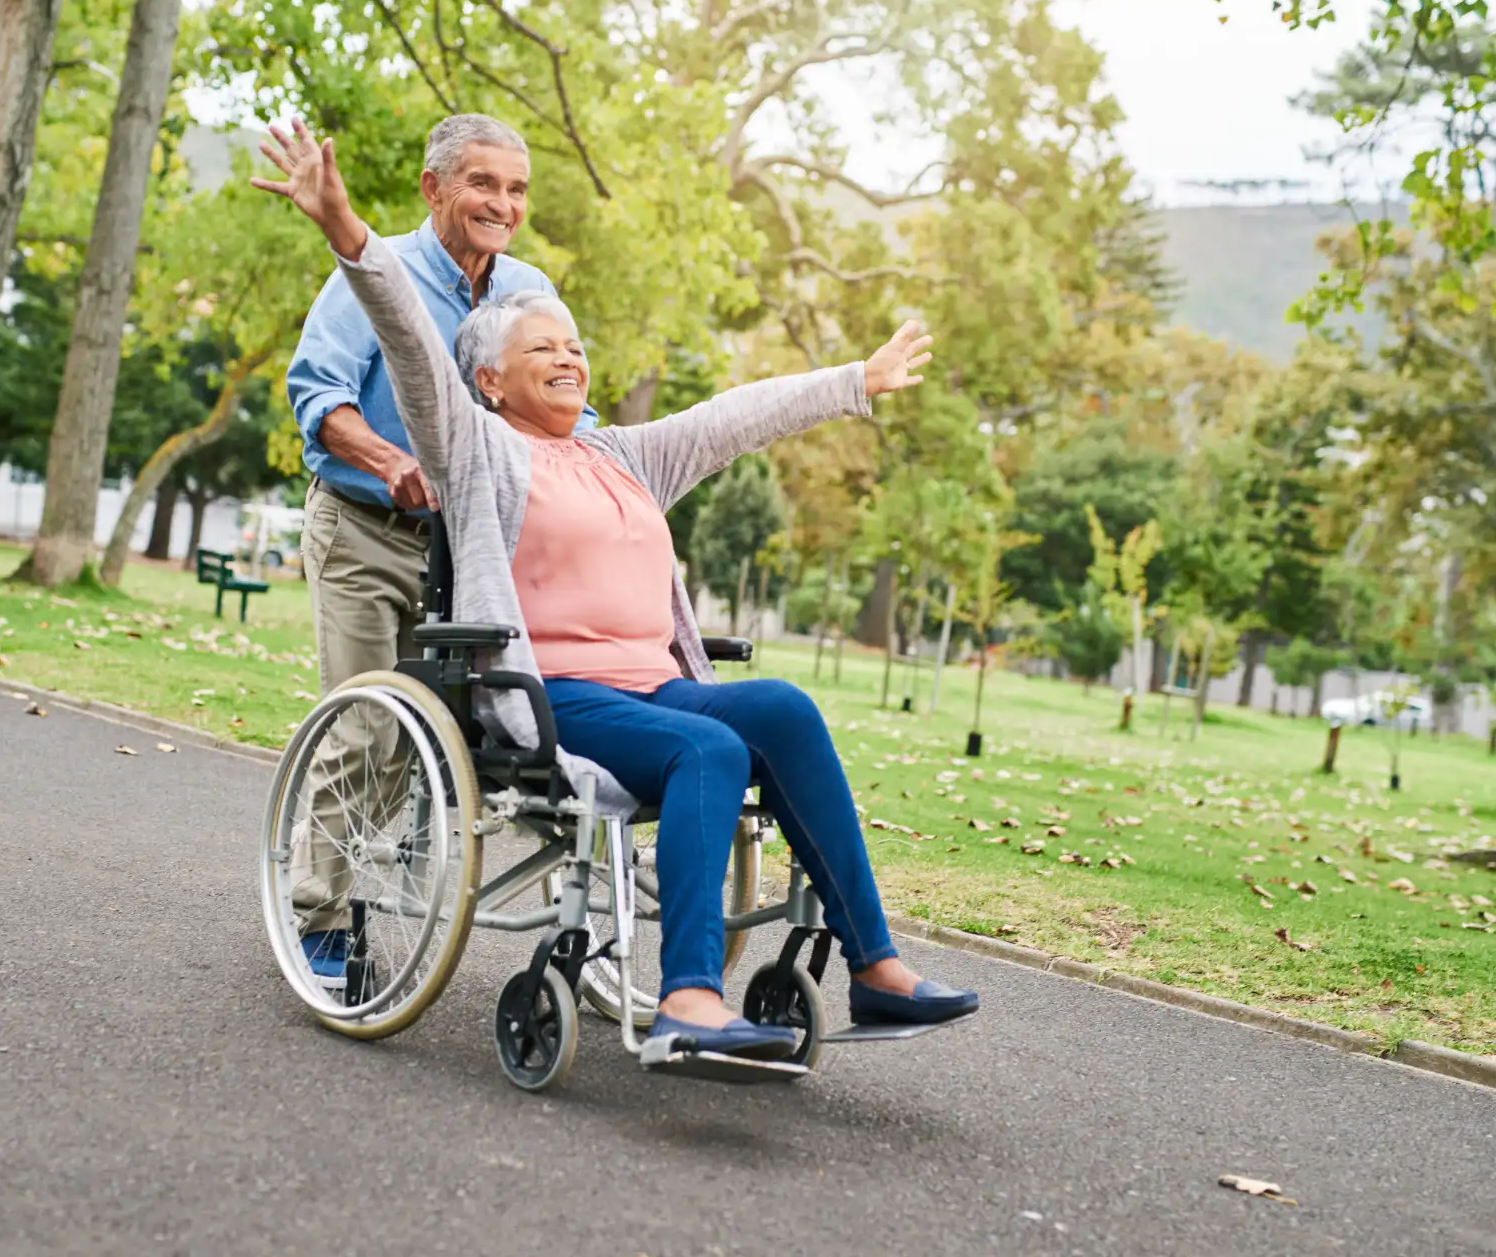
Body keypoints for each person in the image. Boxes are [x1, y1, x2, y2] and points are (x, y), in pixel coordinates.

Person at [255, 120, 978, 1060]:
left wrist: (857, 381)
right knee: (708, 750)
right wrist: (348, 231)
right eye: (540, 350)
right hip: (556, 696)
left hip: (652, 683)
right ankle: (689, 1000)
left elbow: (732, 418)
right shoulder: (478, 450)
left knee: (785, 713)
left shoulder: (622, 452)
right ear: (486, 378)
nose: (567, 359)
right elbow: (404, 337)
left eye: (574, 346)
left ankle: (876, 968)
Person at [284, 114, 598, 955]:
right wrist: (390, 459)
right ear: (435, 189)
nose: (503, 203)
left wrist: (601, 477)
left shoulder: (527, 287)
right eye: (483, 183)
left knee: (442, 736)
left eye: (517, 188)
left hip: (468, 551)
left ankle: (375, 868)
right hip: (365, 529)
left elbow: (561, 398)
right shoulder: (378, 270)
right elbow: (319, 397)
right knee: (367, 726)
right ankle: (316, 911)